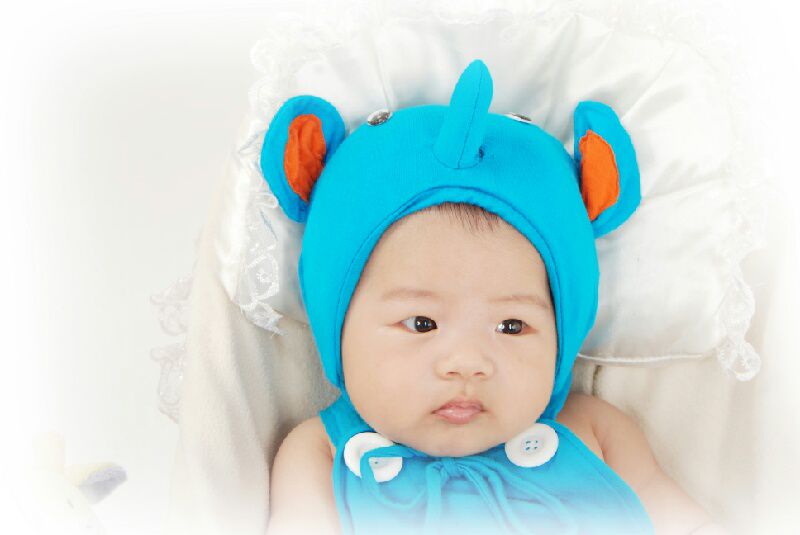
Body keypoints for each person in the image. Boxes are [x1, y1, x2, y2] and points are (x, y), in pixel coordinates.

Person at [261, 59, 729, 534]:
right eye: (422, 323)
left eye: (512, 326)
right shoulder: (321, 453)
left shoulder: (595, 430)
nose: (467, 364)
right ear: (337, 327)